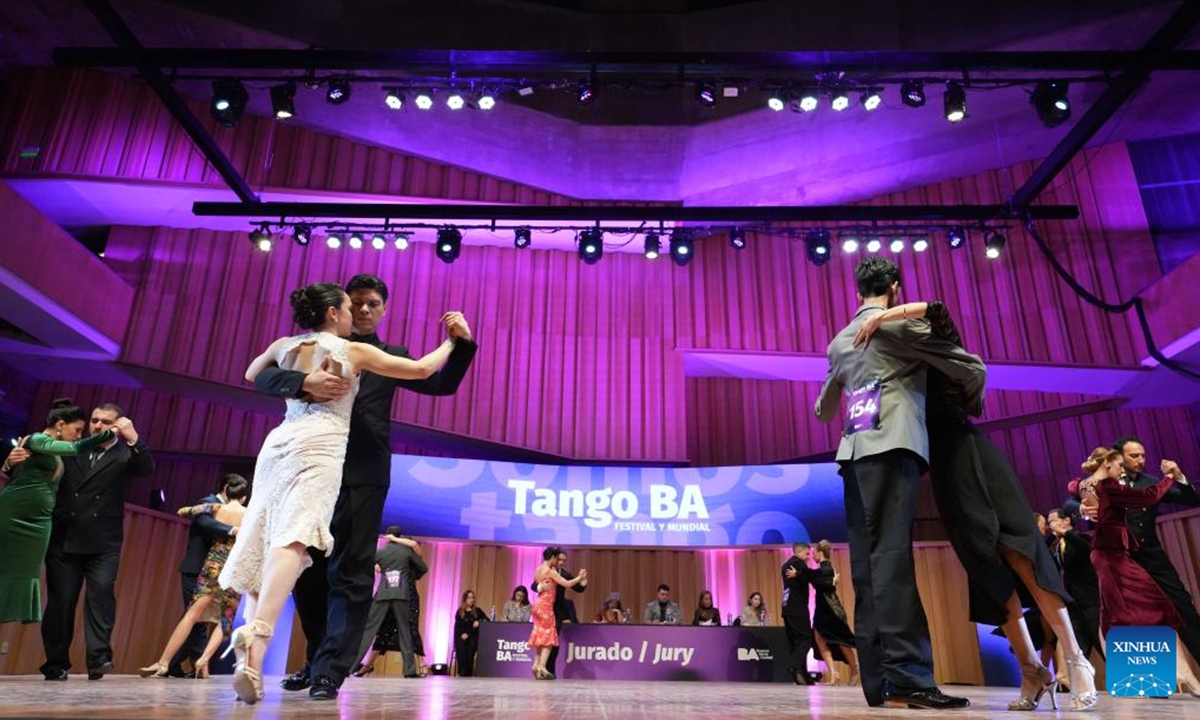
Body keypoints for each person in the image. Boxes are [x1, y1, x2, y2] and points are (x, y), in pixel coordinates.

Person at [217, 282, 458, 704]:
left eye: (370, 305)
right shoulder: (353, 352)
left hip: (280, 447)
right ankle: (260, 636)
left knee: (270, 544)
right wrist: (452, 342)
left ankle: (261, 658)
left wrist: (298, 377)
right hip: (322, 452)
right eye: (351, 305)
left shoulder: (286, 342)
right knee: (295, 545)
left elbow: (252, 372)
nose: (358, 313)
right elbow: (422, 369)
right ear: (334, 311)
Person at [855, 299, 1099, 711]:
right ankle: (1031, 670)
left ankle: (1077, 661)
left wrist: (883, 315)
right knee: (986, 572)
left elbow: (937, 309)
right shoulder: (899, 374)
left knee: (1021, 554)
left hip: (975, 460)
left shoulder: (945, 359)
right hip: (946, 479)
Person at [814, 257, 984, 710]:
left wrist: (850, 375)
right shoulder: (898, 328)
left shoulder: (839, 341)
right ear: (894, 287)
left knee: (869, 568)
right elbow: (970, 367)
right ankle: (908, 680)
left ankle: (881, 683)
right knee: (892, 562)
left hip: (852, 453)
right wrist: (967, 397)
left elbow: (823, 410)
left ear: (856, 294)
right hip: (893, 447)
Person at [34, 401, 152, 681]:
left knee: (101, 598)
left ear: (118, 425)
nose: (98, 426)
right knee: (61, 604)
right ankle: (56, 663)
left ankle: (99, 660)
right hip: (65, 537)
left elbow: (146, 469)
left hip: (104, 542)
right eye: (95, 420)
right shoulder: (73, 446)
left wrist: (134, 438)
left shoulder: (125, 455)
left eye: (106, 422)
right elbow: (35, 465)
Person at [1076, 448, 1200, 695]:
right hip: (1113, 557)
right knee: (1130, 613)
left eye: (1143, 455)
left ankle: (1171, 676)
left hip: (1138, 557)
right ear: (1110, 462)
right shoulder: (1108, 486)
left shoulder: (1088, 483)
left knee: (1157, 610)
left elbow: (1074, 486)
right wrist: (1081, 510)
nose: (1138, 461)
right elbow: (1146, 498)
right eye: (1128, 459)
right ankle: (1163, 678)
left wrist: (1177, 479)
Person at [0, 400, 114, 625]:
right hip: (14, 517)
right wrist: (108, 434)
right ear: (60, 424)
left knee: (22, 574)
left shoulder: (54, 453)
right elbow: (72, 449)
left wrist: (7, 466)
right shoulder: (38, 439)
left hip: (40, 522)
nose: (79, 435)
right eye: (78, 430)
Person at [139, 486, 249, 678]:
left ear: (226, 493)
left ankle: (164, 662)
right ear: (244, 497)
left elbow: (183, 511)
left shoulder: (216, 508)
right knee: (225, 621)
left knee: (192, 614)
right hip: (234, 567)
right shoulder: (249, 514)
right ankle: (203, 659)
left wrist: (208, 508)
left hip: (213, 565)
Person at [170, 474, 247, 677]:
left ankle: (181, 664)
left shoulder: (223, 508)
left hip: (216, 568)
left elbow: (185, 511)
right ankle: (191, 663)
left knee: (198, 618)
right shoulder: (210, 503)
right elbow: (204, 523)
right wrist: (233, 529)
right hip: (197, 567)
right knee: (195, 618)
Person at [350, 526, 427, 678]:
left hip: (383, 594)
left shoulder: (381, 552)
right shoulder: (406, 552)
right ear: (399, 535)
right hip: (402, 594)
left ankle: (349, 667)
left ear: (388, 536)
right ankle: (410, 671)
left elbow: (364, 563)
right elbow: (423, 567)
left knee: (368, 630)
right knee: (405, 631)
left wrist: (382, 568)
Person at [1047, 508, 1103, 666]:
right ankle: (1078, 684)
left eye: (1053, 521)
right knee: (1079, 646)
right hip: (1073, 600)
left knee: (1100, 640)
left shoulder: (1080, 537)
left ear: (1066, 521)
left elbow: (1087, 549)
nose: (1051, 525)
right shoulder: (1058, 545)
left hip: (1090, 599)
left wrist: (1065, 532)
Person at [528, 547, 586, 680]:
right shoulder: (550, 571)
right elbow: (566, 583)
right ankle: (542, 665)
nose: (559, 562)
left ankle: (536, 664)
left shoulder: (539, 569)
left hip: (538, 605)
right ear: (553, 557)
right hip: (546, 607)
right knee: (549, 638)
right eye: (557, 558)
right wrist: (579, 577)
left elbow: (538, 581)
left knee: (541, 636)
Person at [811, 540, 859, 686]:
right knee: (820, 639)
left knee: (841, 641)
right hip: (822, 609)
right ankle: (834, 673)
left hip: (831, 610)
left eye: (814, 553)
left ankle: (854, 669)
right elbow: (817, 581)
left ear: (820, 553)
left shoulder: (826, 569)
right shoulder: (823, 570)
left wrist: (830, 582)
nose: (813, 556)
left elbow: (815, 580)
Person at [781, 542, 818, 685]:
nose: (809, 557)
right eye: (807, 554)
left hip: (786, 608)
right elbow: (810, 575)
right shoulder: (799, 563)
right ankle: (794, 666)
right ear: (799, 552)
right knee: (806, 638)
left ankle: (802, 676)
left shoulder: (785, 565)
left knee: (796, 643)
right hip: (797, 607)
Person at [454, 589, 488, 676]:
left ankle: (468, 672)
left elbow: (487, 620)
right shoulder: (460, 612)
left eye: (472, 597)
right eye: (469, 598)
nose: (471, 599)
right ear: (465, 599)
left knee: (471, 644)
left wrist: (479, 622)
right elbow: (458, 626)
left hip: (472, 636)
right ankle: (462, 671)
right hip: (462, 636)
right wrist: (462, 634)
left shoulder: (477, 611)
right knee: (461, 644)